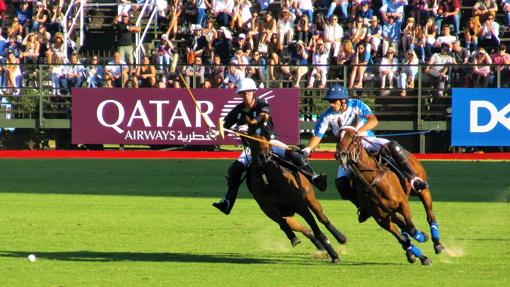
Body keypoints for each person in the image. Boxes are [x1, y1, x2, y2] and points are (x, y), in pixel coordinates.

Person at [301, 84, 428, 222]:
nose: (331, 104)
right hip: (348, 150)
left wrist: (357, 132)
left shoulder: (356, 105)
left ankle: (414, 179)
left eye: (334, 101)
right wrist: (307, 149)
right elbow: (317, 136)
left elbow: (373, 121)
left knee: (393, 146)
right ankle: (362, 207)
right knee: (341, 184)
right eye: (329, 101)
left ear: (343, 100)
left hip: (366, 140)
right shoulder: (327, 115)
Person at [212, 78, 327, 215]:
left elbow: (263, 116)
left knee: (294, 155)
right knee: (234, 170)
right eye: (242, 93)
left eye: (248, 92)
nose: (245, 95)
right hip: (250, 150)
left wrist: (250, 124)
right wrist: (215, 133)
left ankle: (314, 178)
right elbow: (223, 128)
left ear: (253, 92)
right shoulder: (237, 111)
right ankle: (228, 202)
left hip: (269, 143)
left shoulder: (261, 104)